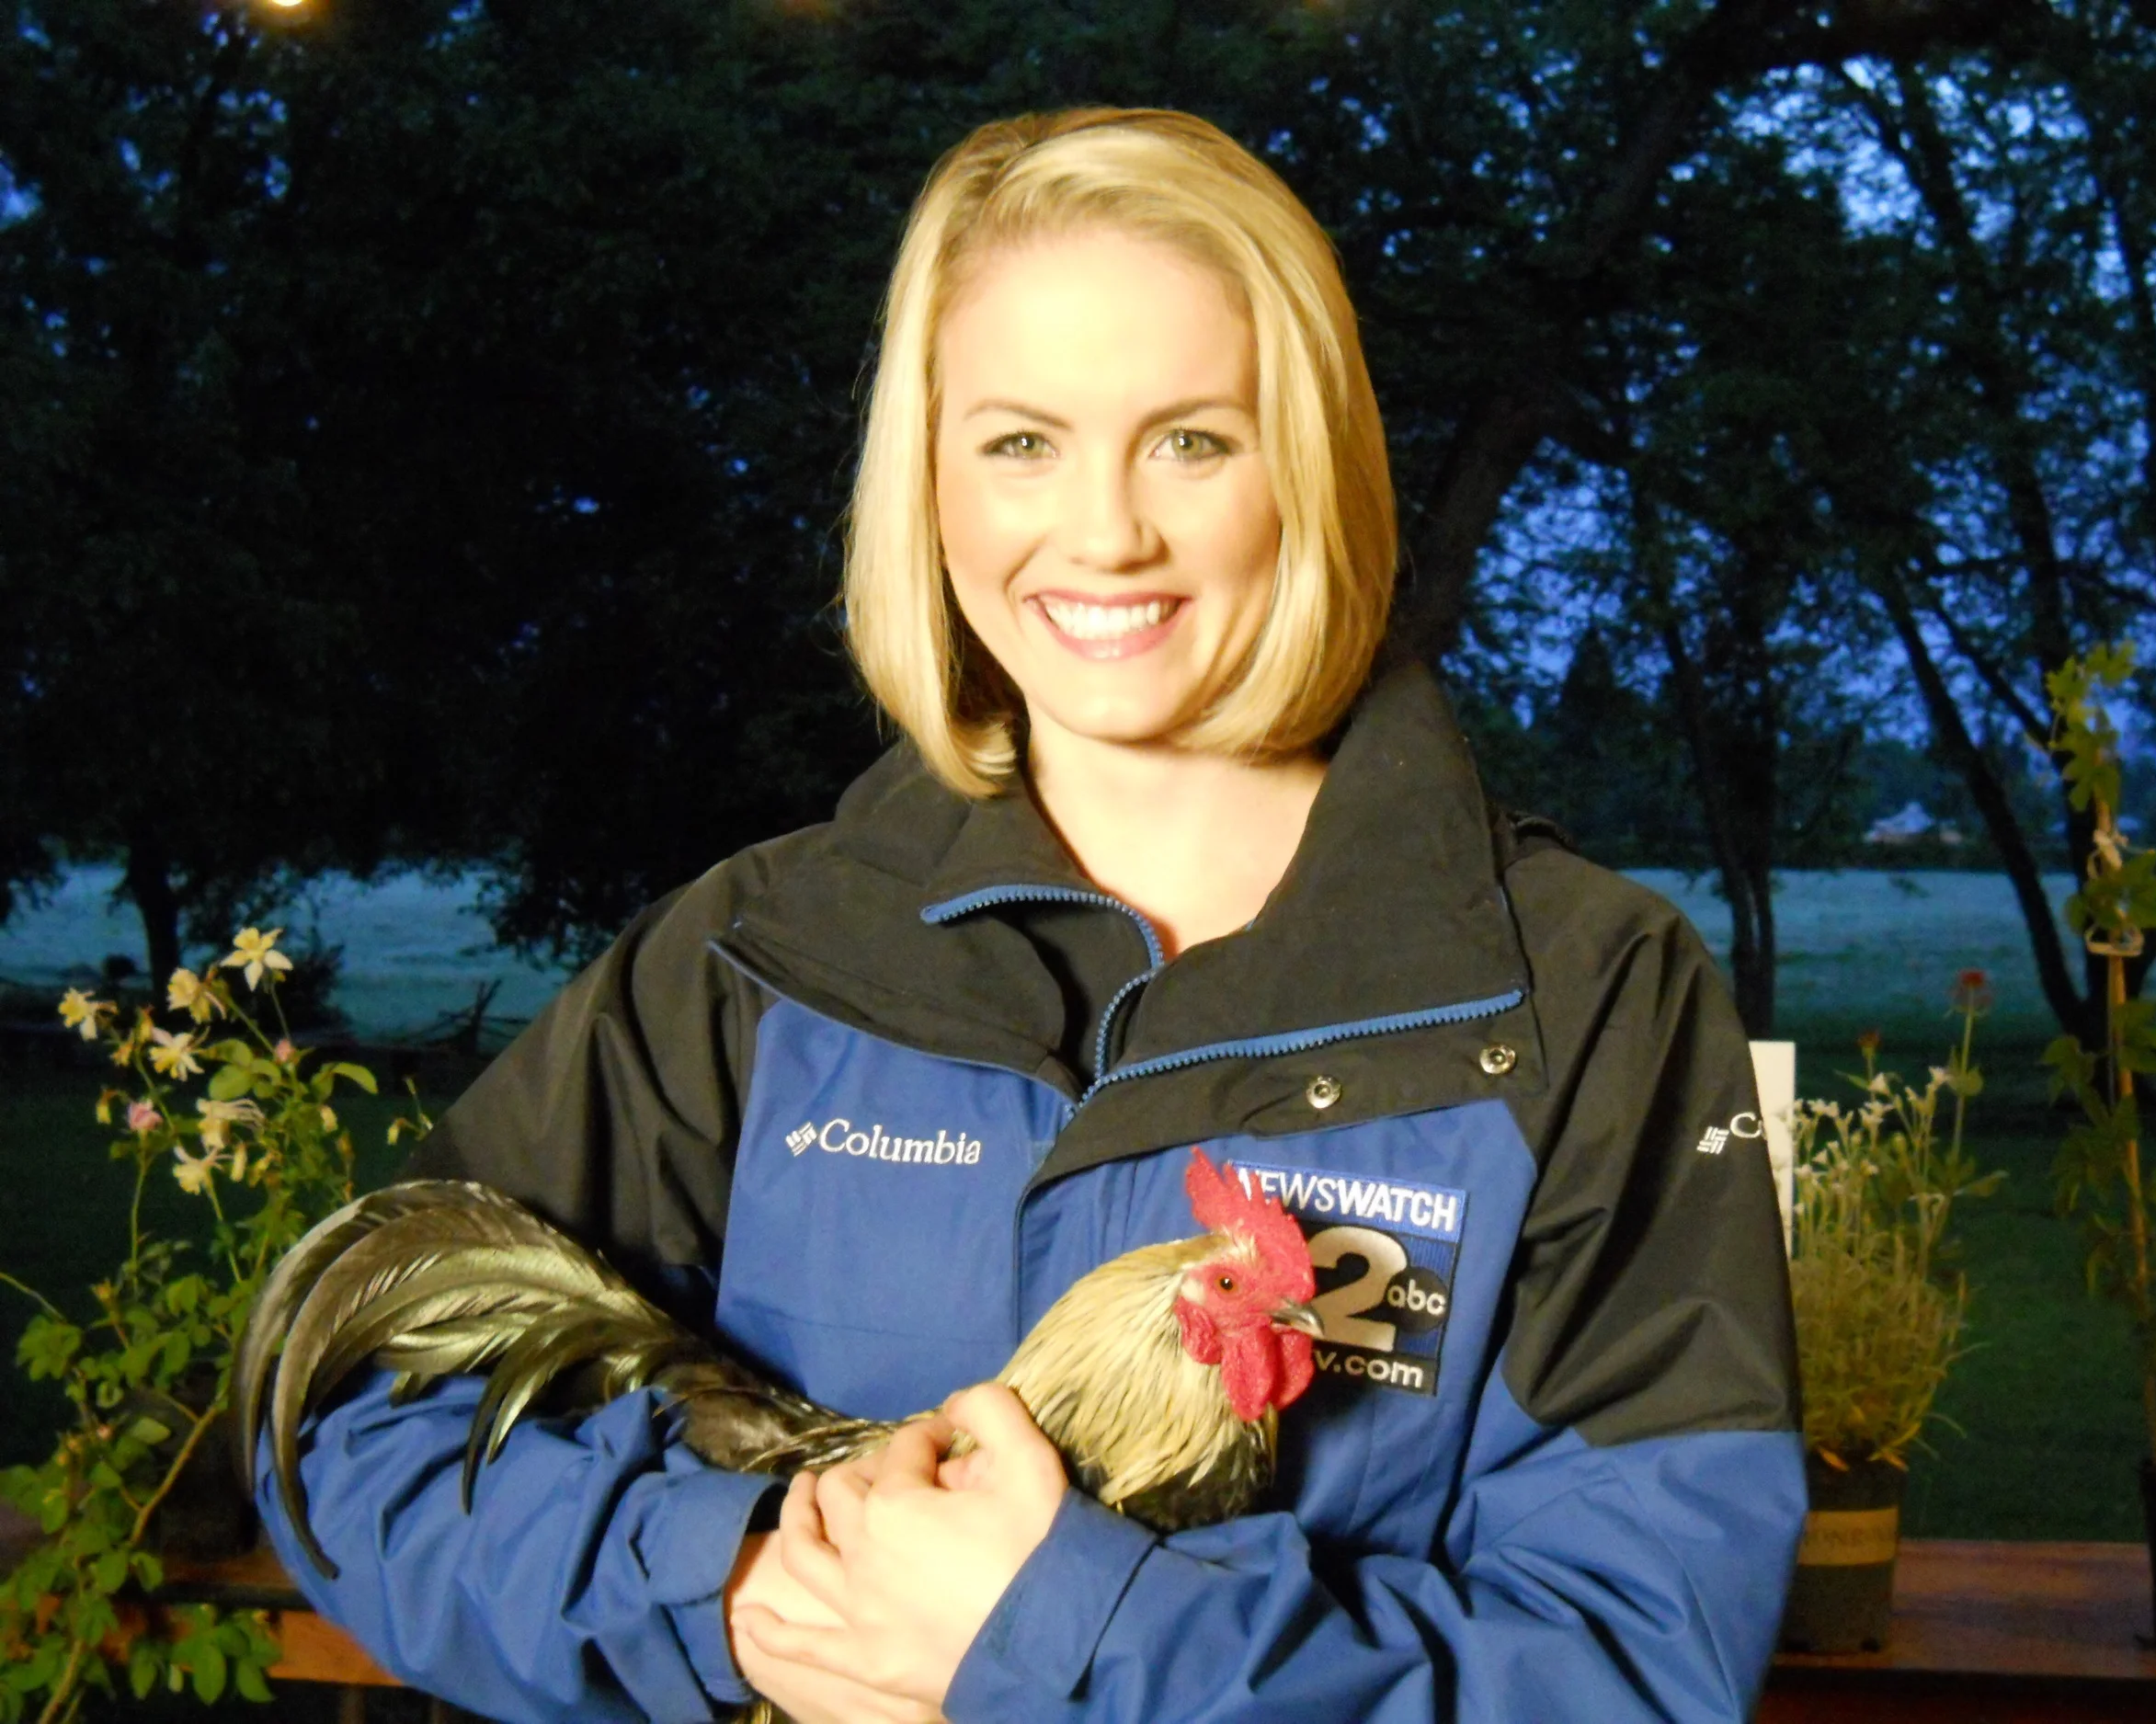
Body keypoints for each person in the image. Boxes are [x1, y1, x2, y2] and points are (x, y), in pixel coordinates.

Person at [254, 108, 1804, 1723]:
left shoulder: (1581, 999)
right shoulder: (760, 960)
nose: (1106, 532)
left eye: (1191, 439)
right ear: (927, 481)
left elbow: (1640, 1661)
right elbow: (357, 1416)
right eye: (1019, 443)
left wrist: (1064, 1628)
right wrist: (733, 1587)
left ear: (1310, 467)